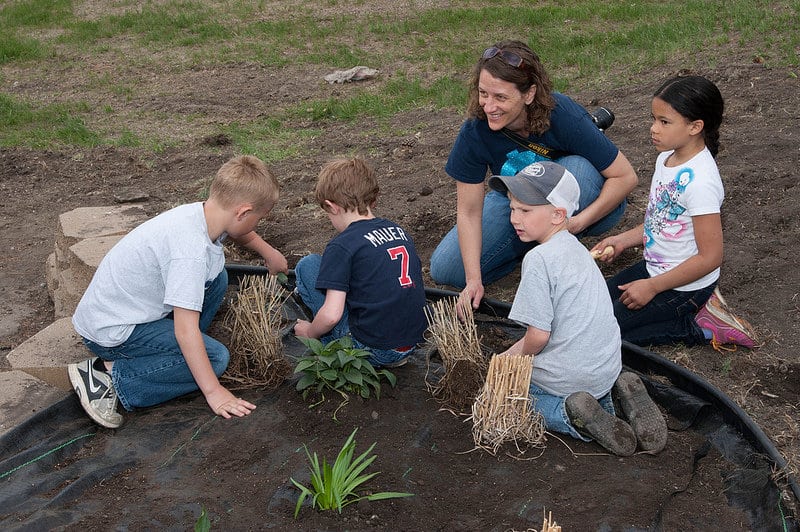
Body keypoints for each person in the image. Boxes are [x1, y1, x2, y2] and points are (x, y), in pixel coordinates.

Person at [69, 155, 289, 428]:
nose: (256, 225)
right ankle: (106, 375)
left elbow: (240, 231)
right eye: (258, 219)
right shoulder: (190, 253)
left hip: (120, 311)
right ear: (243, 212)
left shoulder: (204, 214)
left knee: (218, 278)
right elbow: (185, 330)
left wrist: (269, 252)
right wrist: (214, 392)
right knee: (216, 358)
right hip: (113, 333)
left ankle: (181, 354)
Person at [429, 39, 638, 310]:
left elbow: (625, 177)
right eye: (483, 93)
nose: (488, 107)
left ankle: (549, 242)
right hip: (518, 198)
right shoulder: (475, 131)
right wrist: (473, 280)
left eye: (500, 97)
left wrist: (576, 223)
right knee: (446, 269)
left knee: (577, 166)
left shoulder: (563, 114)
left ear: (529, 94)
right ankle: (531, 246)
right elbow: (468, 212)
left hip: (582, 203)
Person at [492, 160, 666, 455]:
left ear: (558, 214)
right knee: (577, 368)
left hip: (570, 380)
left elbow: (538, 337)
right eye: (512, 208)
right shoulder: (577, 249)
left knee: (515, 398)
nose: (514, 218)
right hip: (606, 366)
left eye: (525, 210)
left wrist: (509, 360)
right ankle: (615, 394)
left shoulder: (538, 260)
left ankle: (570, 414)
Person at [591, 75, 757, 350]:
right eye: (653, 119)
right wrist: (622, 240)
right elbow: (661, 221)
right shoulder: (666, 160)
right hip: (654, 268)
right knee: (591, 307)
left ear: (695, 126)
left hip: (684, 286)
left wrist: (652, 287)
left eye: (664, 122)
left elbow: (711, 257)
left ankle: (701, 326)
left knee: (602, 337)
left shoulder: (701, 183)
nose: (653, 129)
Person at [293, 157, 428, 368]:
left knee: (308, 265)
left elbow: (332, 315)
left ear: (331, 206)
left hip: (372, 348)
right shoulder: (398, 231)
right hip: (412, 341)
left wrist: (309, 333)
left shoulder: (342, 245)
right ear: (373, 200)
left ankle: (332, 346)